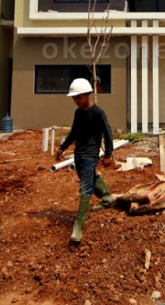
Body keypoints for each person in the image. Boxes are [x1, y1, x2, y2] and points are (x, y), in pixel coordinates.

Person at [55, 78, 115, 243]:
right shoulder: (79, 112)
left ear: (87, 94)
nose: (76, 101)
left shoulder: (98, 113)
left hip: (90, 154)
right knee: (88, 179)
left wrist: (108, 154)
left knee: (86, 188)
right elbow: (74, 132)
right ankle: (107, 198)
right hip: (79, 154)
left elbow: (108, 133)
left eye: (79, 98)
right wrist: (63, 147)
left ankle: (78, 227)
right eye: (74, 98)